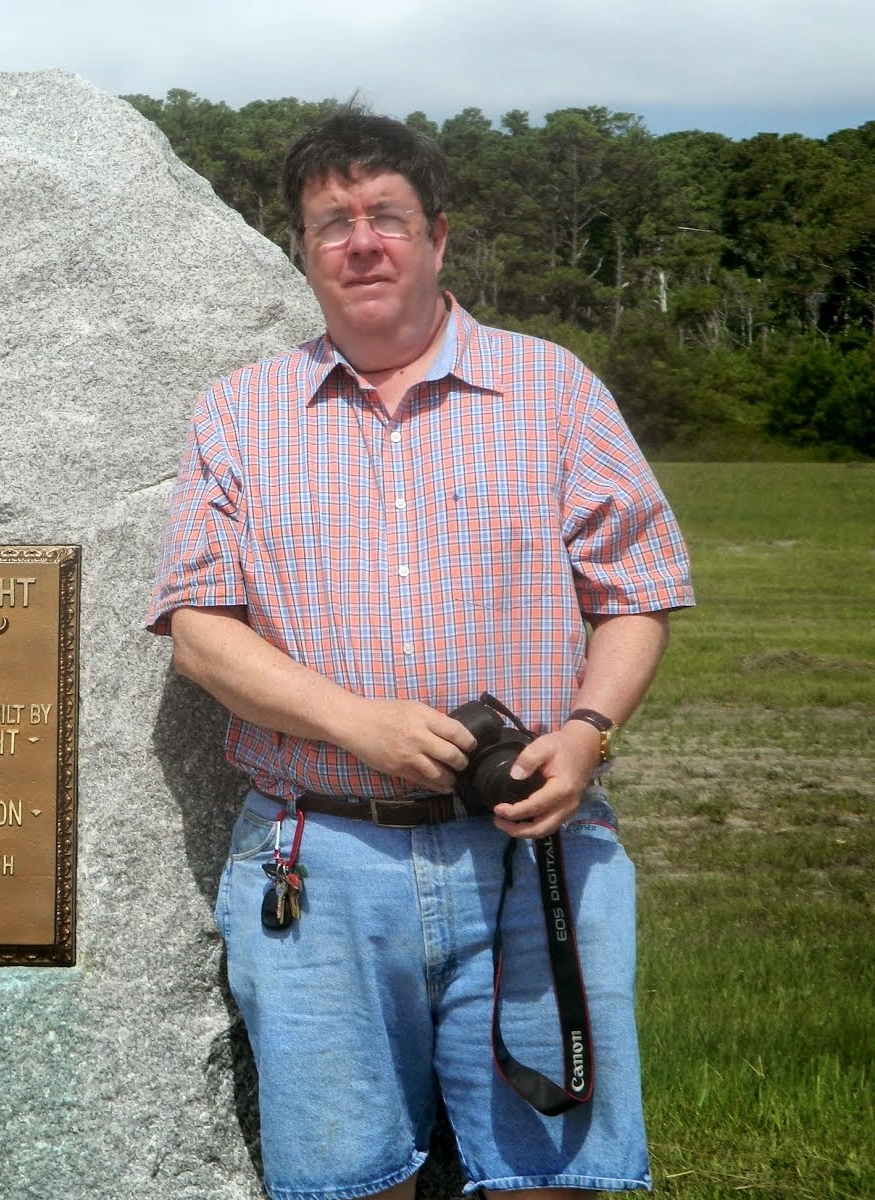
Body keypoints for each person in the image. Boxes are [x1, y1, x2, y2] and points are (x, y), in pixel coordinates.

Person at [147, 108, 693, 1200]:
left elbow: (638, 592)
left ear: (436, 236)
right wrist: (357, 725)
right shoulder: (240, 415)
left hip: (536, 850)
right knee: (347, 1179)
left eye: (385, 217)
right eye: (331, 223)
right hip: (319, 860)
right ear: (302, 253)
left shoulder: (553, 389)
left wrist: (585, 735)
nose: (360, 242)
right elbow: (202, 631)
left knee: (555, 1175)